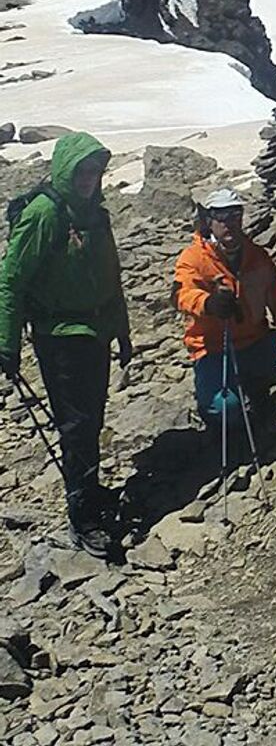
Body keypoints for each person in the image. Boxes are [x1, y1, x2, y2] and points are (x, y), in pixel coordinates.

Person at [0, 133, 131, 556]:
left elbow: (111, 278)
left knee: (90, 421)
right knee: (76, 427)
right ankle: (83, 516)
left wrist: (123, 332)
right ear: (67, 170)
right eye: (83, 171)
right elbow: (11, 279)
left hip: (94, 333)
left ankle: (88, 491)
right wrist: (6, 345)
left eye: (95, 171)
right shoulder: (45, 214)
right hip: (58, 338)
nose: (89, 179)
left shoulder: (95, 215)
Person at [173, 187, 276, 428]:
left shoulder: (256, 256)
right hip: (213, 349)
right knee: (224, 409)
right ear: (208, 220)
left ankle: (255, 385)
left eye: (235, 215)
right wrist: (209, 304)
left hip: (257, 342)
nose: (229, 223)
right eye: (221, 217)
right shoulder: (193, 258)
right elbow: (182, 293)